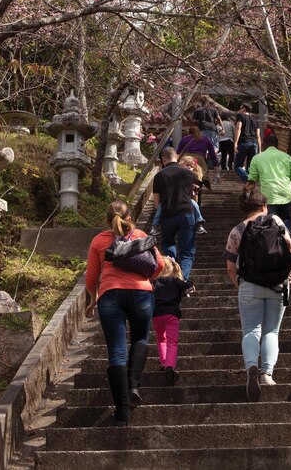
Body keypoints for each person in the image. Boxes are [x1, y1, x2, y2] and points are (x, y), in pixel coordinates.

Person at [85, 200, 165, 426]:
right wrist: (145, 280)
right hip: (141, 294)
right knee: (140, 337)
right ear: (131, 217)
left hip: (110, 296)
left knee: (117, 352)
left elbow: (91, 278)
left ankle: (122, 413)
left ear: (106, 220)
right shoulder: (141, 235)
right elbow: (159, 265)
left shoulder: (99, 240)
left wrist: (93, 300)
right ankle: (133, 385)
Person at [224, 184, 291, 401]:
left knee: (251, 330)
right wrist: (287, 271)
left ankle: (251, 367)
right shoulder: (277, 222)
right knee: (271, 331)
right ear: (264, 206)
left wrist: (241, 285)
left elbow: (230, 266)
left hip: (249, 285)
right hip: (278, 284)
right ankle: (267, 374)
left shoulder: (237, 230)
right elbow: (290, 247)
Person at [152, 147, 202, 279]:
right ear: (177, 156)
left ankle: (170, 273)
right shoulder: (189, 174)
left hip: (167, 215)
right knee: (187, 251)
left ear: (163, 159)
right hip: (186, 214)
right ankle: (182, 279)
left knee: (168, 243)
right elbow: (194, 199)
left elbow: (157, 204)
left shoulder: (159, 176)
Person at [247, 133, 291, 233]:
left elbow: (251, 182)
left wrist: (248, 198)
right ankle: (286, 244)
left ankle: (272, 245)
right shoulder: (288, 158)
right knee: (285, 223)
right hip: (286, 197)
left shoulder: (257, 158)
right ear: (277, 146)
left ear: (263, 145)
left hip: (268, 198)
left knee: (269, 226)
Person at [152, 255, 193, 387]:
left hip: (156, 314)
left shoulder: (154, 282)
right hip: (172, 315)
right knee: (172, 342)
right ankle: (170, 365)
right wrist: (190, 287)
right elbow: (188, 284)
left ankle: (164, 363)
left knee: (160, 339)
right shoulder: (175, 280)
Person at [233, 103, 260, 181]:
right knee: (249, 167)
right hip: (254, 144)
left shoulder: (240, 116)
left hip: (244, 142)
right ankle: (249, 189)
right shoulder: (255, 120)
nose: (239, 110)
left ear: (244, 109)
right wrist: (260, 150)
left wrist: (235, 142)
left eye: (240, 108)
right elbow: (258, 135)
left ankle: (248, 179)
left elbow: (238, 128)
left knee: (237, 166)